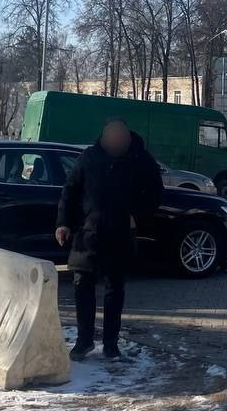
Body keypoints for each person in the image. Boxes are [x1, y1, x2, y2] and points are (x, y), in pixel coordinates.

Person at [55, 118, 163, 360]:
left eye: (118, 139)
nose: (113, 143)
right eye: (109, 138)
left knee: (114, 291)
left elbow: (155, 193)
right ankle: (84, 342)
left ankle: (110, 344)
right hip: (87, 235)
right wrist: (63, 223)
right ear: (104, 138)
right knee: (82, 287)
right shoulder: (89, 158)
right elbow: (70, 191)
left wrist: (137, 216)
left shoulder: (140, 160)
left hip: (119, 235)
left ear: (126, 139)